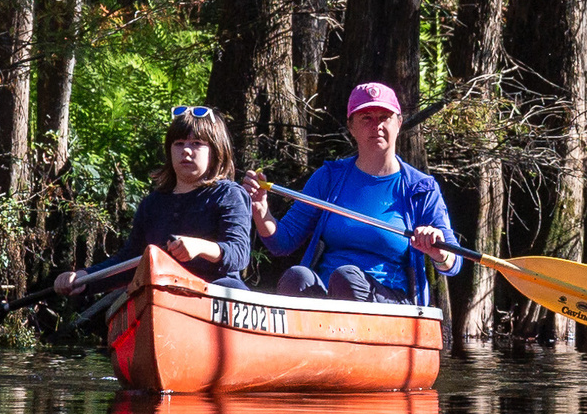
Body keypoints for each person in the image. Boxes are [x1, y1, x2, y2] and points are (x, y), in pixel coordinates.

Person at [250, 83, 461, 303]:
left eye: (384, 117)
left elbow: (453, 264)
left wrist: (439, 253)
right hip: (330, 295)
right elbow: (282, 242)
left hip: (389, 298)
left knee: (347, 278)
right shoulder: (329, 178)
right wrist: (261, 210)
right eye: (366, 118)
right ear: (351, 127)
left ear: (398, 123)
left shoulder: (421, 188)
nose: (376, 125)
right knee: (297, 277)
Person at [54, 105, 255, 295]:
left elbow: (239, 253)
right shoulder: (153, 204)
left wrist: (200, 247)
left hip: (216, 293)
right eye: (179, 144)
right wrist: (83, 278)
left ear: (216, 150)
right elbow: (130, 261)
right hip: (163, 291)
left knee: (230, 286)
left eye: (196, 144)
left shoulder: (229, 194)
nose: (186, 150)